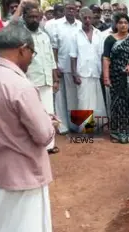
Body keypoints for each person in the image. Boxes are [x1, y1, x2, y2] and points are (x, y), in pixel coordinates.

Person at [0, 23, 58, 232]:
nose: (31, 58)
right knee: (29, 231)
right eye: (32, 53)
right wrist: (49, 123)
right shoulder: (20, 85)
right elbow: (42, 135)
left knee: (2, 228)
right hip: (25, 172)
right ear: (22, 49)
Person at [19, 2, 60, 154]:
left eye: (37, 17)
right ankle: (34, 145)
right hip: (29, 80)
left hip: (46, 80)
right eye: (31, 17)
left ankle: (49, 144)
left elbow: (50, 58)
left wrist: (55, 78)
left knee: (49, 113)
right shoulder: (21, 36)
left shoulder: (44, 35)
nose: (34, 20)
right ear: (24, 17)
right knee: (32, 115)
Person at [102, 13, 129, 144]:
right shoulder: (110, 39)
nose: (123, 25)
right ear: (116, 25)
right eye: (120, 22)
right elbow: (106, 58)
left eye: (126, 23)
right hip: (117, 77)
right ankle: (118, 133)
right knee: (118, 105)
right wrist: (106, 77)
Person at [70, 7, 107, 130]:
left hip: (96, 72)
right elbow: (73, 56)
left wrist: (103, 73)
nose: (87, 20)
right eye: (84, 17)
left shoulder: (98, 34)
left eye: (89, 17)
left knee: (96, 102)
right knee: (83, 101)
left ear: (92, 18)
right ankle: (84, 130)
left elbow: (102, 55)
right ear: (80, 18)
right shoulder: (75, 35)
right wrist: (75, 74)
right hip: (82, 73)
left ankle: (94, 127)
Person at [52, 0, 82, 134]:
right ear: (64, 10)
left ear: (76, 11)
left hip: (75, 68)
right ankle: (62, 126)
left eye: (73, 9)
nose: (71, 11)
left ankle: (75, 125)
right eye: (68, 9)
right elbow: (54, 47)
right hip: (61, 66)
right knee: (60, 99)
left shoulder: (80, 25)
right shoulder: (56, 25)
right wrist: (55, 66)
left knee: (75, 98)